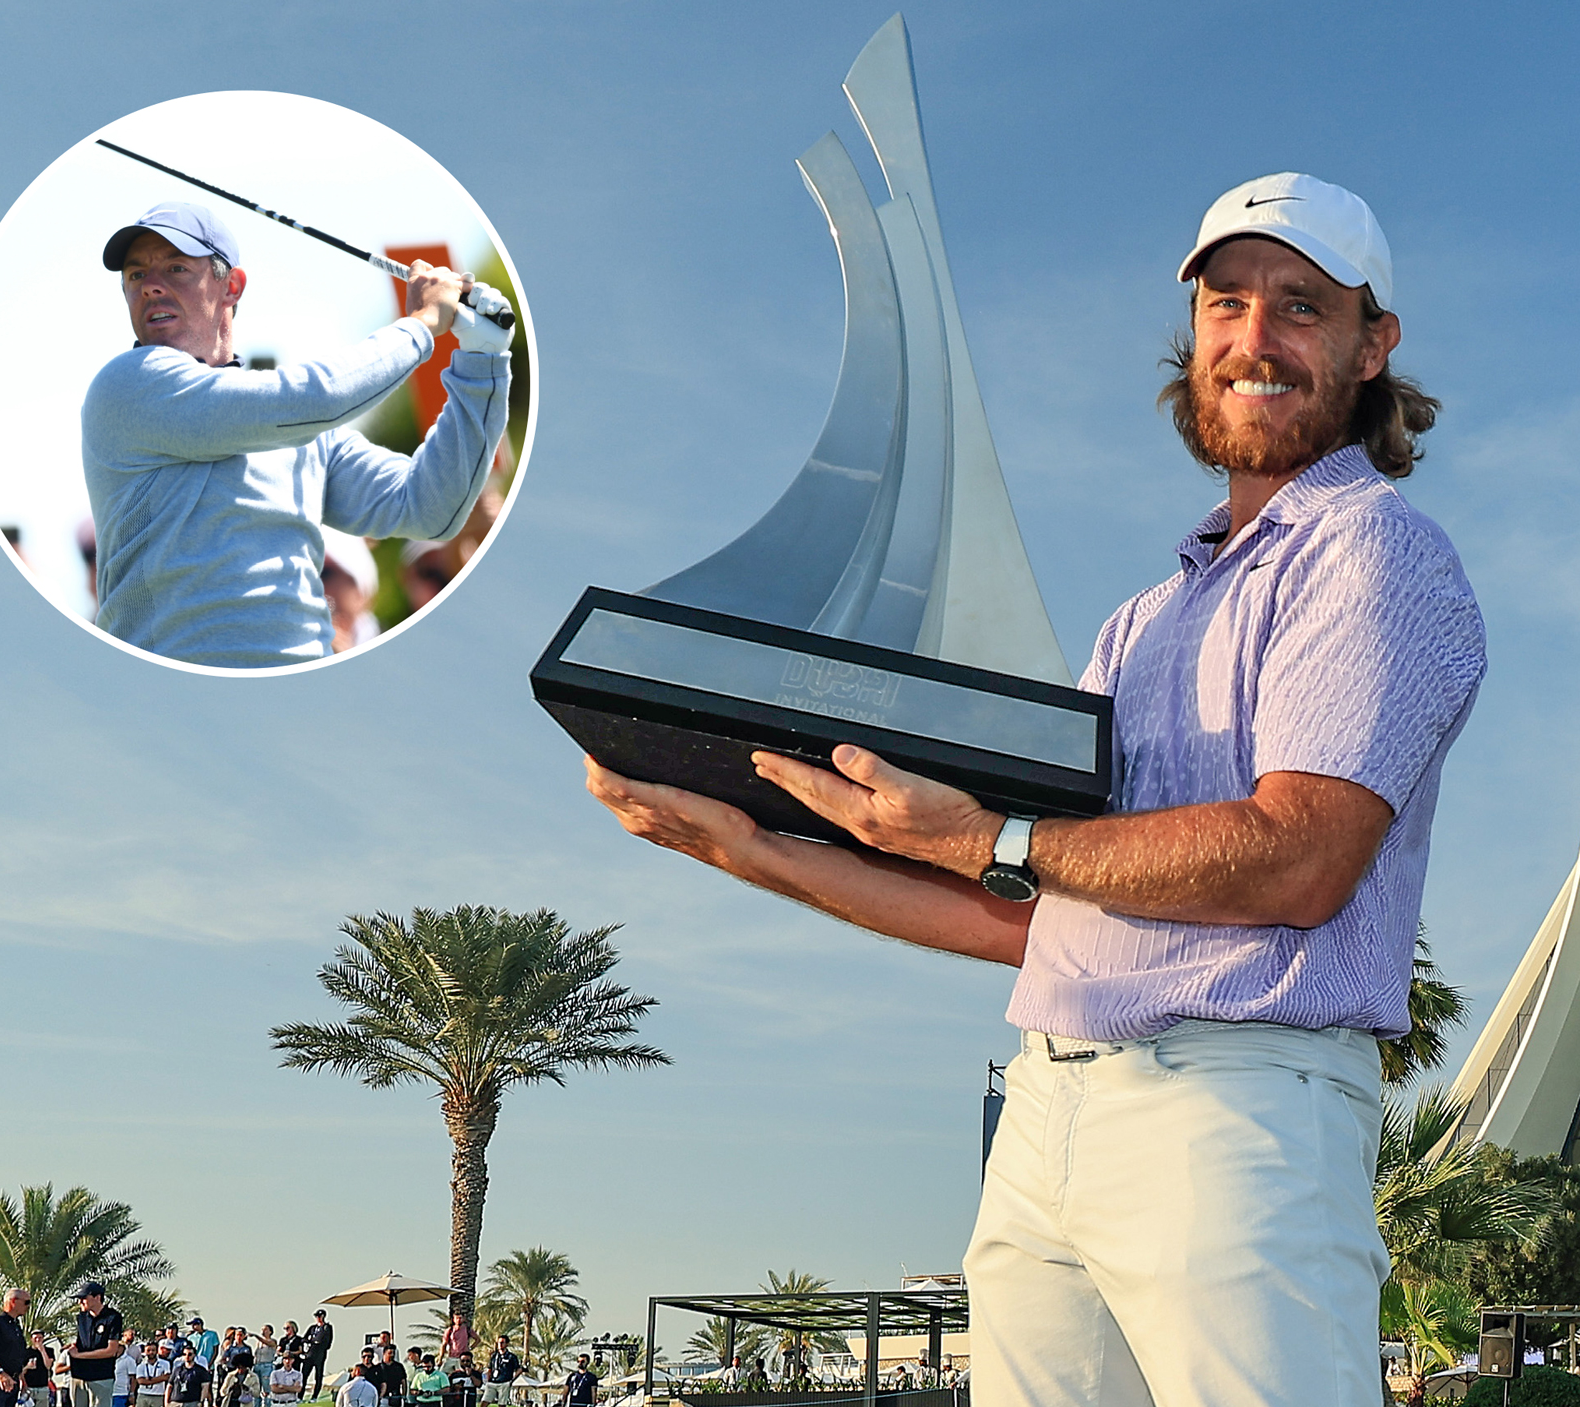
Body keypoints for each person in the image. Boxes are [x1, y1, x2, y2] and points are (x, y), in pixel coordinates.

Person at [586, 171, 1484, 1407]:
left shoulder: (1373, 550)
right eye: (1226, 304)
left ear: (1371, 346)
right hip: (1047, 1110)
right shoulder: (1138, 622)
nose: (1255, 338)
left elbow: (1300, 856)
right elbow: (1034, 919)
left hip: (1237, 1104)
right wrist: (743, 846)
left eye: (1301, 306)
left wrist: (990, 835)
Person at [80, 201, 516, 668]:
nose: (150, 285)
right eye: (136, 275)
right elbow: (317, 398)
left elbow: (429, 508)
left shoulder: (301, 428)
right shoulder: (130, 384)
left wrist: (482, 361)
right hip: (174, 686)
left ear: (231, 287)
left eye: (176, 268)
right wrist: (421, 324)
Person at [63, 1284, 124, 1407]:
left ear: (97, 1297)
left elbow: (111, 1350)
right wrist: (73, 1348)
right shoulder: (82, 1317)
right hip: (79, 1376)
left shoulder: (112, 1317)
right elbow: (82, 1341)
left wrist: (79, 1355)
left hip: (101, 1377)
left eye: (84, 1298)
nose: (80, 1302)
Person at [299, 1318, 333, 1403]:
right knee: (304, 1375)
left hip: (320, 1355)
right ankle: (300, 1396)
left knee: (318, 1376)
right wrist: (310, 1342)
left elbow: (327, 1343)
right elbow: (304, 1338)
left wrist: (317, 1342)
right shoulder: (312, 1328)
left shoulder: (326, 1328)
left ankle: (314, 1396)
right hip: (310, 1354)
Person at [480, 1340, 518, 1407]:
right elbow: (490, 1368)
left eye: (502, 1342)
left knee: (502, 1404)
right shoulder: (494, 1356)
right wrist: (488, 1378)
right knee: (484, 1402)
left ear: (507, 1344)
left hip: (504, 1382)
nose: (500, 1344)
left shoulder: (511, 1357)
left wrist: (512, 1380)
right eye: (499, 1343)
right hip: (492, 1382)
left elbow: (519, 1369)